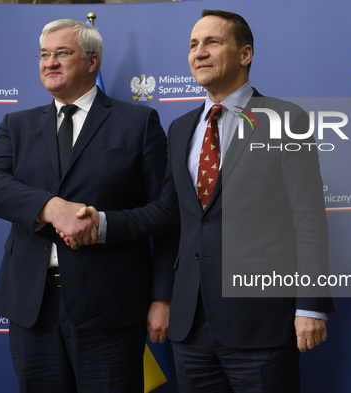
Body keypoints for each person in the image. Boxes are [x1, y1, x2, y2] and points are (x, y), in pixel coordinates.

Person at [67, 9, 335, 392]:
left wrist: (310, 305)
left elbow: (308, 219)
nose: (199, 52)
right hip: (190, 326)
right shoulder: (180, 129)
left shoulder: (284, 120)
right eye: (193, 45)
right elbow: (168, 214)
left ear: (245, 54)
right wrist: (103, 223)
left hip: (259, 322)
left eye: (212, 42)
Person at [0, 19, 176, 392]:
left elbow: (165, 212)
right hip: (31, 309)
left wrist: (102, 227)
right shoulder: (15, 125)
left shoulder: (138, 122)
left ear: (92, 61)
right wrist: (51, 207)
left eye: (62, 53)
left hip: (110, 309)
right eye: (43, 55)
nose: (49, 62)